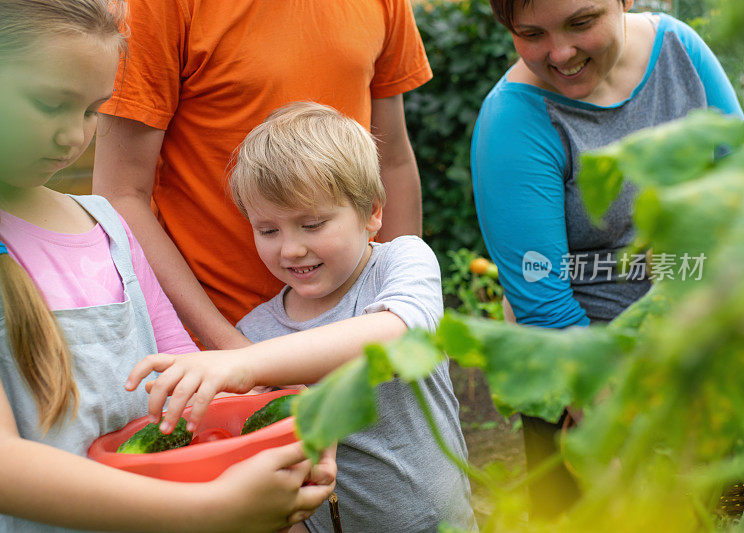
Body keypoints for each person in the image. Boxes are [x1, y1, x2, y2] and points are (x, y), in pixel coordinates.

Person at [0, 2, 334, 531]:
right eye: (49, 103)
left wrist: (285, 426)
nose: (73, 137)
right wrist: (212, 511)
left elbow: (183, 378)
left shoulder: (106, 227)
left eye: (90, 111)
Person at [126, 102, 477, 533]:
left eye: (312, 224)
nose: (290, 249)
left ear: (372, 212)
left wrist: (244, 363)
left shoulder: (400, 263)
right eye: (268, 230)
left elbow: (398, 336)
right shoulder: (256, 332)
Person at [470, 0, 744, 518]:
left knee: (724, 514)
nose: (561, 52)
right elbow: (544, 302)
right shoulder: (513, 121)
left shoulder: (681, 52)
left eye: (581, 22)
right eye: (532, 33)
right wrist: (608, 425)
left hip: (704, 362)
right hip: (587, 376)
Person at [92, 0, 432, 351]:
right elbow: (120, 194)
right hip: (220, 341)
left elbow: (390, 160)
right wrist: (238, 354)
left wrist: (392, 300)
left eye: (312, 225)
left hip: (360, 333)